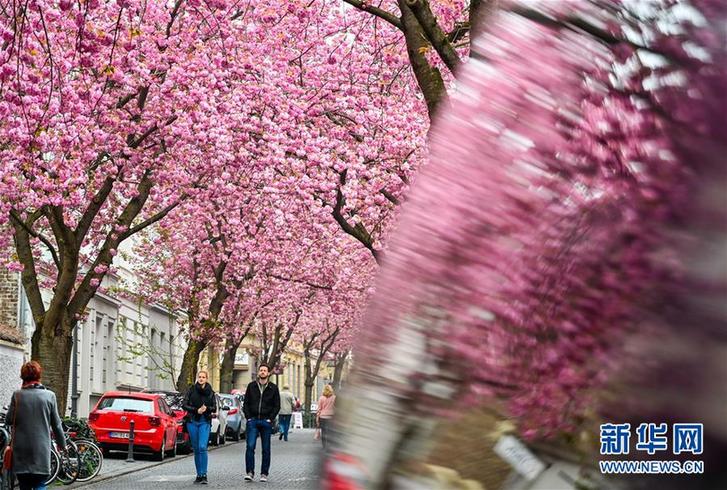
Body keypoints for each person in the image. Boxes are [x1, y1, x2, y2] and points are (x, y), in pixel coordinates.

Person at [6, 361, 66, 490]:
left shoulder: (17, 395)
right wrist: (62, 444)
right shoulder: (50, 396)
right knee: (40, 484)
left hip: (21, 451)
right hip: (41, 450)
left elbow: (9, 420)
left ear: (23, 377)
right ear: (39, 376)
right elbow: (57, 425)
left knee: (24, 484)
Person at [242, 363, 280, 483]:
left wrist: (270, 418)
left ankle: (264, 473)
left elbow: (277, 405)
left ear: (268, 373)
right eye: (261, 370)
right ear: (258, 373)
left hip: (265, 421)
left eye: (265, 370)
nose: (263, 372)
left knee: (266, 449)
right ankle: (250, 472)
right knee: (250, 447)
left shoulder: (273, 388)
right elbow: (246, 403)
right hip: (252, 420)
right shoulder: (251, 386)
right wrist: (248, 417)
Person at [183, 370, 217, 485]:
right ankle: (199, 474)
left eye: (203, 377)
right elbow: (184, 404)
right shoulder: (191, 390)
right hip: (192, 421)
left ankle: (204, 474)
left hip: (204, 422)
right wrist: (196, 410)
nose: (201, 379)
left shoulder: (211, 392)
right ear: (197, 378)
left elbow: (214, 407)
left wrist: (206, 409)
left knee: (203, 446)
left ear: (206, 379)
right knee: (197, 448)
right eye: (200, 377)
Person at [316, 384, 336, 449]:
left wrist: (317, 417)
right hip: (331, 416)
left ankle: (324, 445)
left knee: (323, 431)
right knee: (330, 432)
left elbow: (319, 409)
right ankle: (330, 445)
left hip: (322, 417)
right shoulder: (334, 398)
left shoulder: (321, 398)